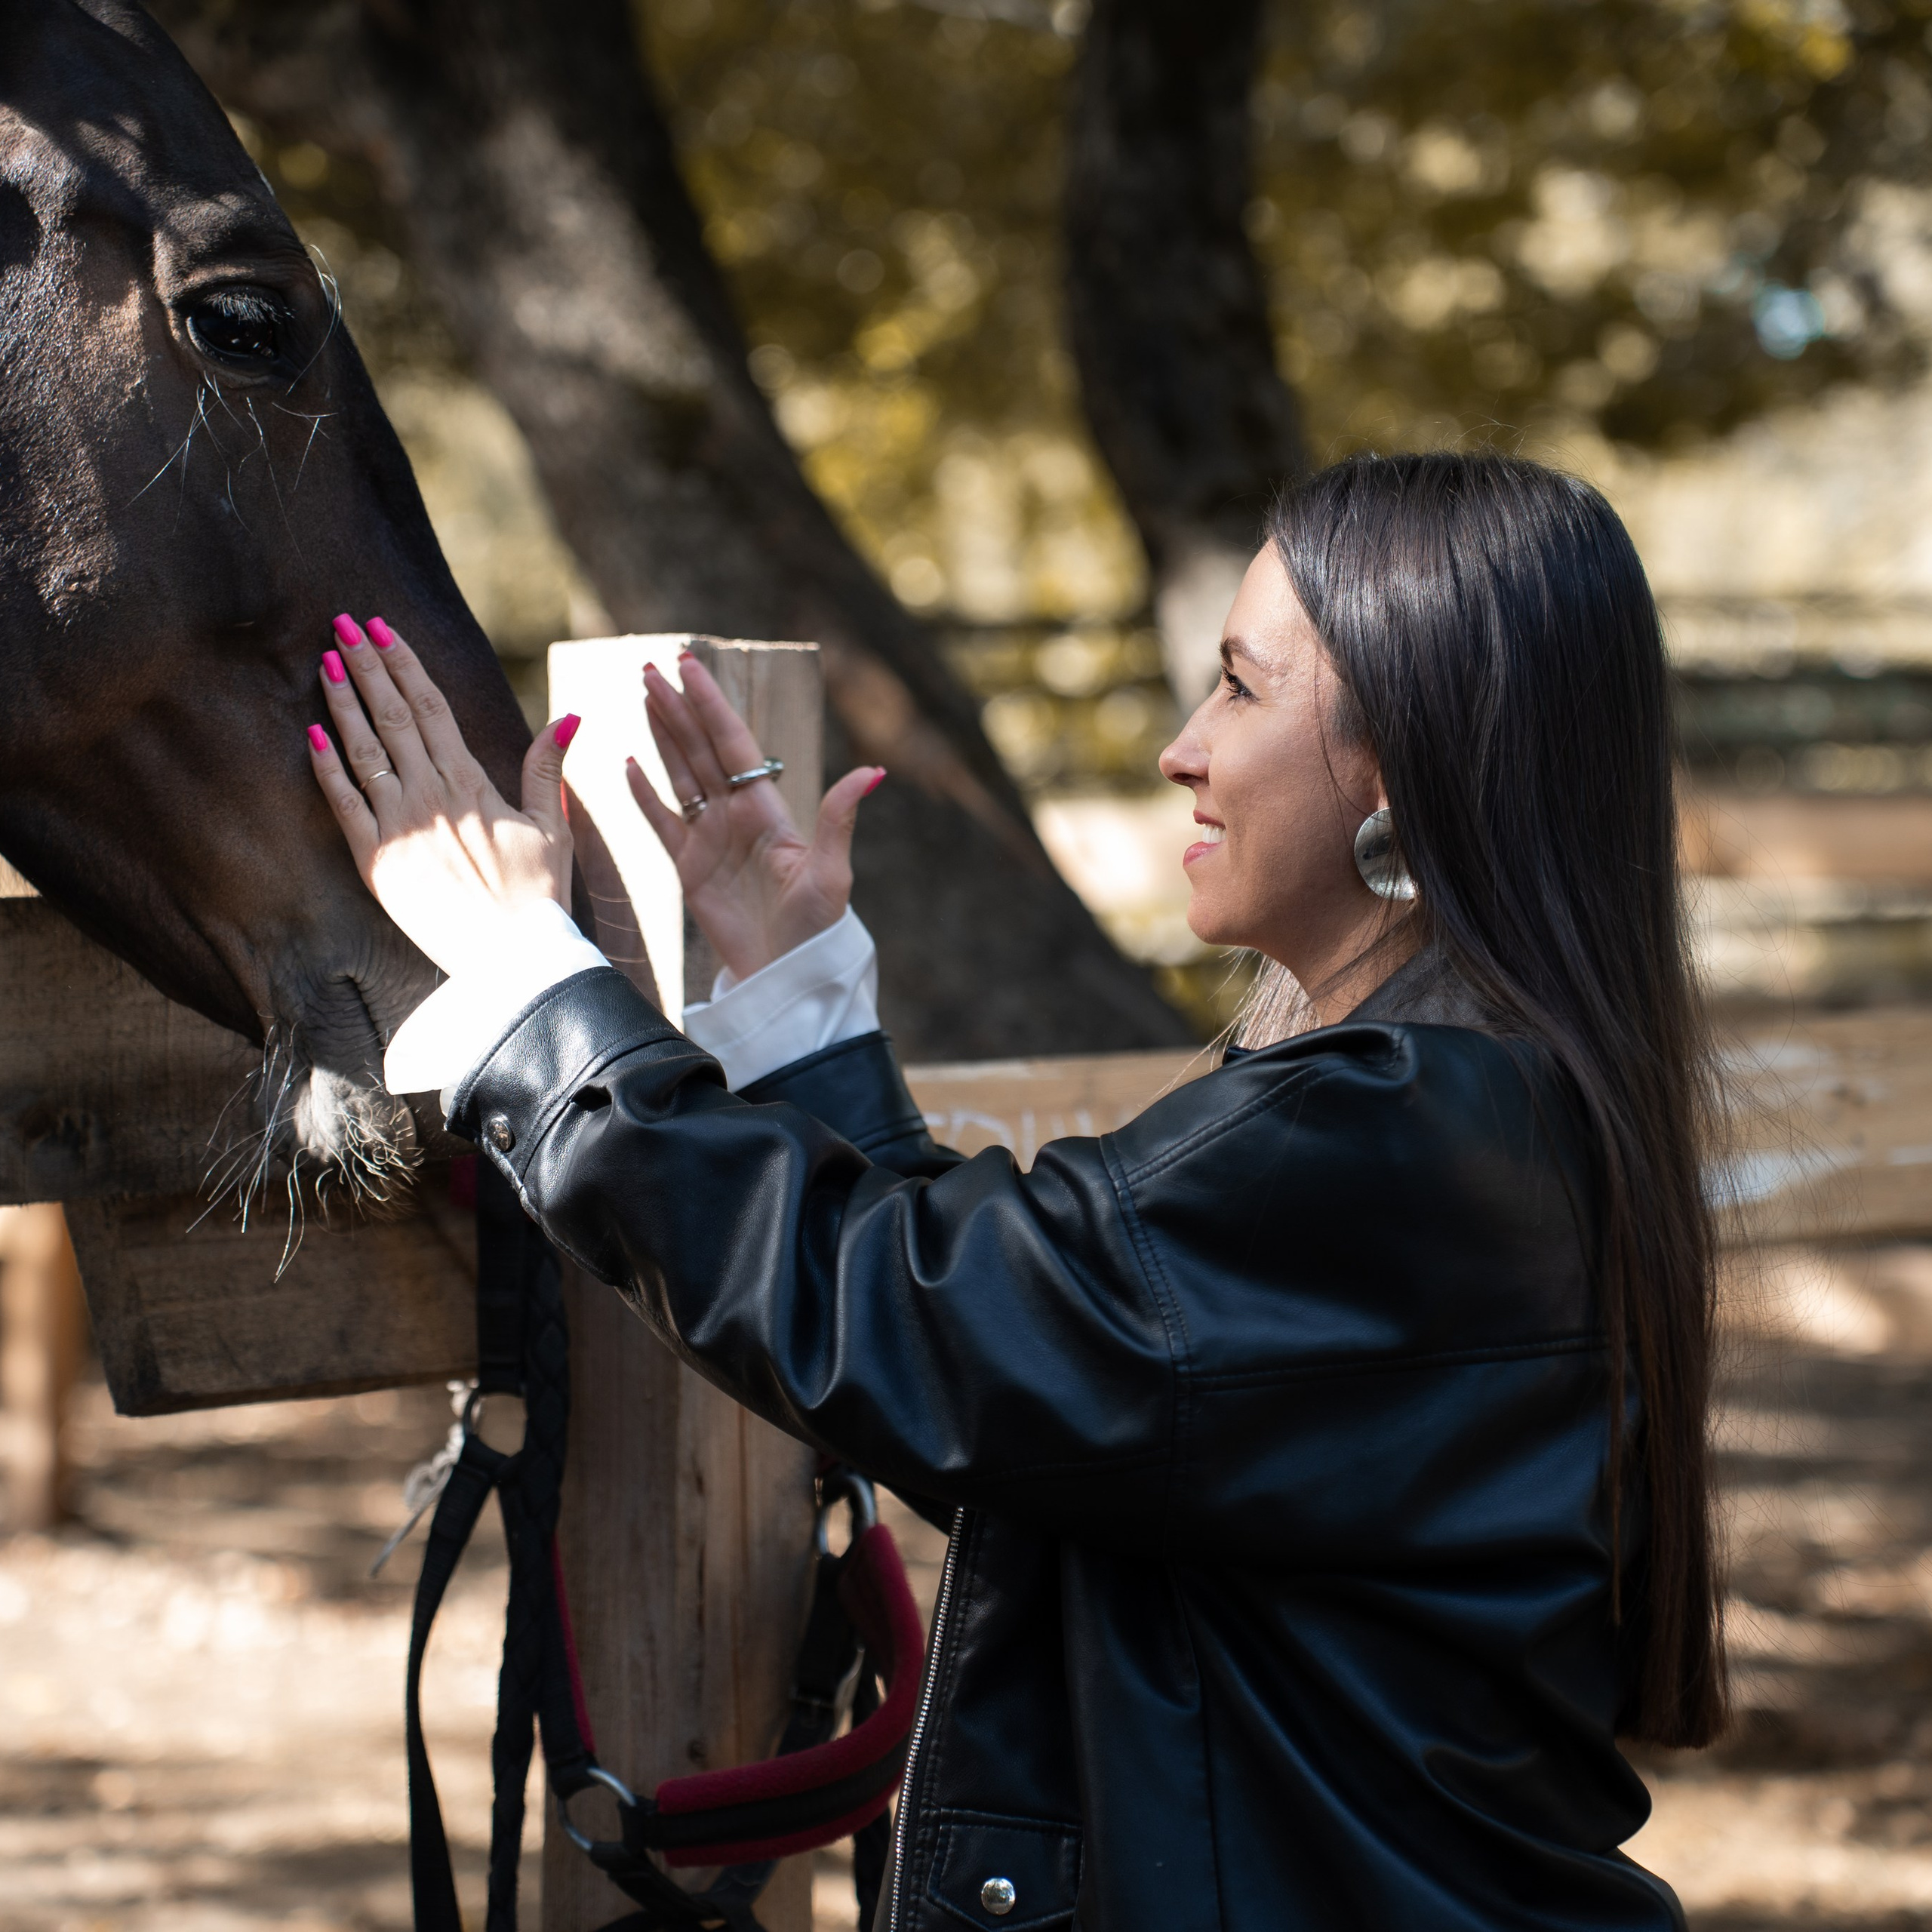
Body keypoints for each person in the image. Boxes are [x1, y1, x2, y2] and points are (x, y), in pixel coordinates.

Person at [305, 451, 1724, 1931]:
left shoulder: (1394, 1129)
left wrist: (527, 977)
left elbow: (937, 1327)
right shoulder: (1477, 1095)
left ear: (1398, 761)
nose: (1183, 748)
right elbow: (1045, 1373)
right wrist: (794, 1001)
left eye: (1238, 688)